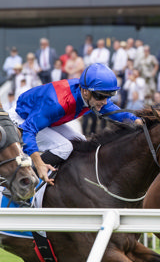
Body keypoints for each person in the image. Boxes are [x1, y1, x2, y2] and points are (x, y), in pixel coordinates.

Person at [7, 63, 142, 185]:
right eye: (101, 96)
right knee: (64, 147)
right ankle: (23, 181)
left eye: (109, 96)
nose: (105, 101)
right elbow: (29, 129)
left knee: (81, 142)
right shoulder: (58, 103)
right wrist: (39, 162)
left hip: (45, 119)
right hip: (22, 119)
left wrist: (136, 120)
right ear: (85, 91)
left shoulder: (91, 95)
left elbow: (112, 110)